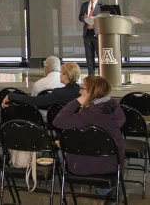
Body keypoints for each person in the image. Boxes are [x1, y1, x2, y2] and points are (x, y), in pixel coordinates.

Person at [53, 76, 125, 204]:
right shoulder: (113, 106)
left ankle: (106, 191)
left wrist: (76, 101)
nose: (79, 91)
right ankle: (108, 189)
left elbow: (58, 121)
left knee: (59, 151)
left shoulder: (89, 114)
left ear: (92, 92)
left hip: (88, 165)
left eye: (82, 88)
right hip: (113, 164)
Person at [2, 62, 81, 109]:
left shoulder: (59, 93)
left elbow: (35, 101)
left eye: (61, 73)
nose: (60, 75)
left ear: (66, 76)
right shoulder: (83, 92)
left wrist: (12, 95)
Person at [79, 0, 105, 76]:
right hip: (87, 33)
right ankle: (91, 74)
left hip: (97, 33)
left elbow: (105, 18)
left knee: (99, 55)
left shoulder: (102, 5)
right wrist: (84, 18)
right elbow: (80, 17)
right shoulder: (85, 5)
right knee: (89, 56)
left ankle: (101, 74)